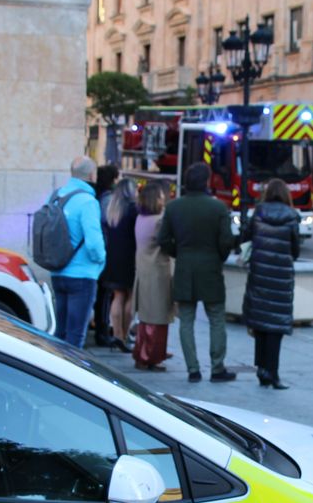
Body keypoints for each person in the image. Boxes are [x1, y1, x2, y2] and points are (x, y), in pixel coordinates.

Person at [158, 160, 237, 382]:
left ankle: (193, 368)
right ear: (207, 181)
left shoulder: (174, 207)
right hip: (211, 268)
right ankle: (217, 366)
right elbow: (226, 241)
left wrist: (179, 253)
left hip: (185, 268)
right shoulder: (218, 207)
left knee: (186, 320)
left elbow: (163, 239)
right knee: (216, 318)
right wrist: (218, 258)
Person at [240, 178, 302, 389]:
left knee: (261, 323)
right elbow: (295, 249)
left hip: (259, 273)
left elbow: (246, 237)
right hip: (281, 277)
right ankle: (273, 373)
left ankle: (261, 370)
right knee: (275, 324)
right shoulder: (292, 216)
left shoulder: (258, 212)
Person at [50, 156, 107, 348]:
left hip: (58, 271)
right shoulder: (87, 202)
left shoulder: (56, 196)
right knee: (75, 335)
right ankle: (67, 375)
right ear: (92, 175)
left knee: (60, 331)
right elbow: (94, 243)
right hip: (82, 274)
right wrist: (101, 261)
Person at [131, 180, 175, 371]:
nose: (163, 199)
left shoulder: (140, 218)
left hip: (143, 269)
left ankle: (143, 351)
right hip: (158, 271)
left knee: (146, 317)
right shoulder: (159, 221)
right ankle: (150, 355)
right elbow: (169, 242)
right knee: (157, 318)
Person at [100, 177, 139, 351]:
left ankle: (116, 334)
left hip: (113, 256)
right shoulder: (134, 210)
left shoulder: (112, 209)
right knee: (131, 296)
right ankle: (124, 335)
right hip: (130, 256)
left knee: (117, 296)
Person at [90, 163, 120, 346]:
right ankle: (102, 331)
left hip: (101, 249)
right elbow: (109, 221)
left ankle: (100, 327)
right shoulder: (108, 199)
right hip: (106, 250)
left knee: (102, 293)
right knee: (105, 294)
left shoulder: (96, 195)